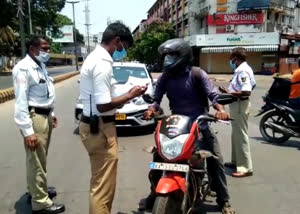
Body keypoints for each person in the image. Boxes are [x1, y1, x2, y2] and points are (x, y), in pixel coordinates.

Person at [142, 38, 236, 214]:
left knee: (216, 161)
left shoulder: (197, 74)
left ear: (183, 55)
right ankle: (154, 194)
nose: (168, 60)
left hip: (200, 125)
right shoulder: (165, 77)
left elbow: (213, 96)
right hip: (177, 126)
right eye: (166, 56)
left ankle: (224, 201)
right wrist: (151, 110)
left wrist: (221, 110)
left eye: (172, 56)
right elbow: (156, 100)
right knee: (159, 159)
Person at [78, 21, 147, 214]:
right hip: (100, 127)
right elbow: (102, 105)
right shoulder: (101, 63)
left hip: (97, 124)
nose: (123, 51)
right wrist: (131, 95)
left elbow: (105, 97)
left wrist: (126, 95)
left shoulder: (97, 59)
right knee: (103, 187)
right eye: (124, 47)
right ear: (116, 41)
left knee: (101, 183)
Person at [13, 35, 65, 213]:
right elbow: (21, 101)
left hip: (45, 116)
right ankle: (40, 202)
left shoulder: (40, 66)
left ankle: (34, 191)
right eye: (45, 48)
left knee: (39, 160)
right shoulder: (23, 68)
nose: (48, 52)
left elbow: (45, 93)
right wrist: (28, 131)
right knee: (36, 161)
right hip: (34, 119)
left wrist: (52, 113)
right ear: (33, 49)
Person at [219, 47, 255, 178]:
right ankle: (236, 162)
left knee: (241, 136)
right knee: (235, 135)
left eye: (231, 58)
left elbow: (247, 91)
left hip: (240, 104)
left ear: (235, 58)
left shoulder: (242, 70)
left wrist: (228, 93)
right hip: (237, 104)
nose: (231, 61)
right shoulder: (243, 69)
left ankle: (245, 168)